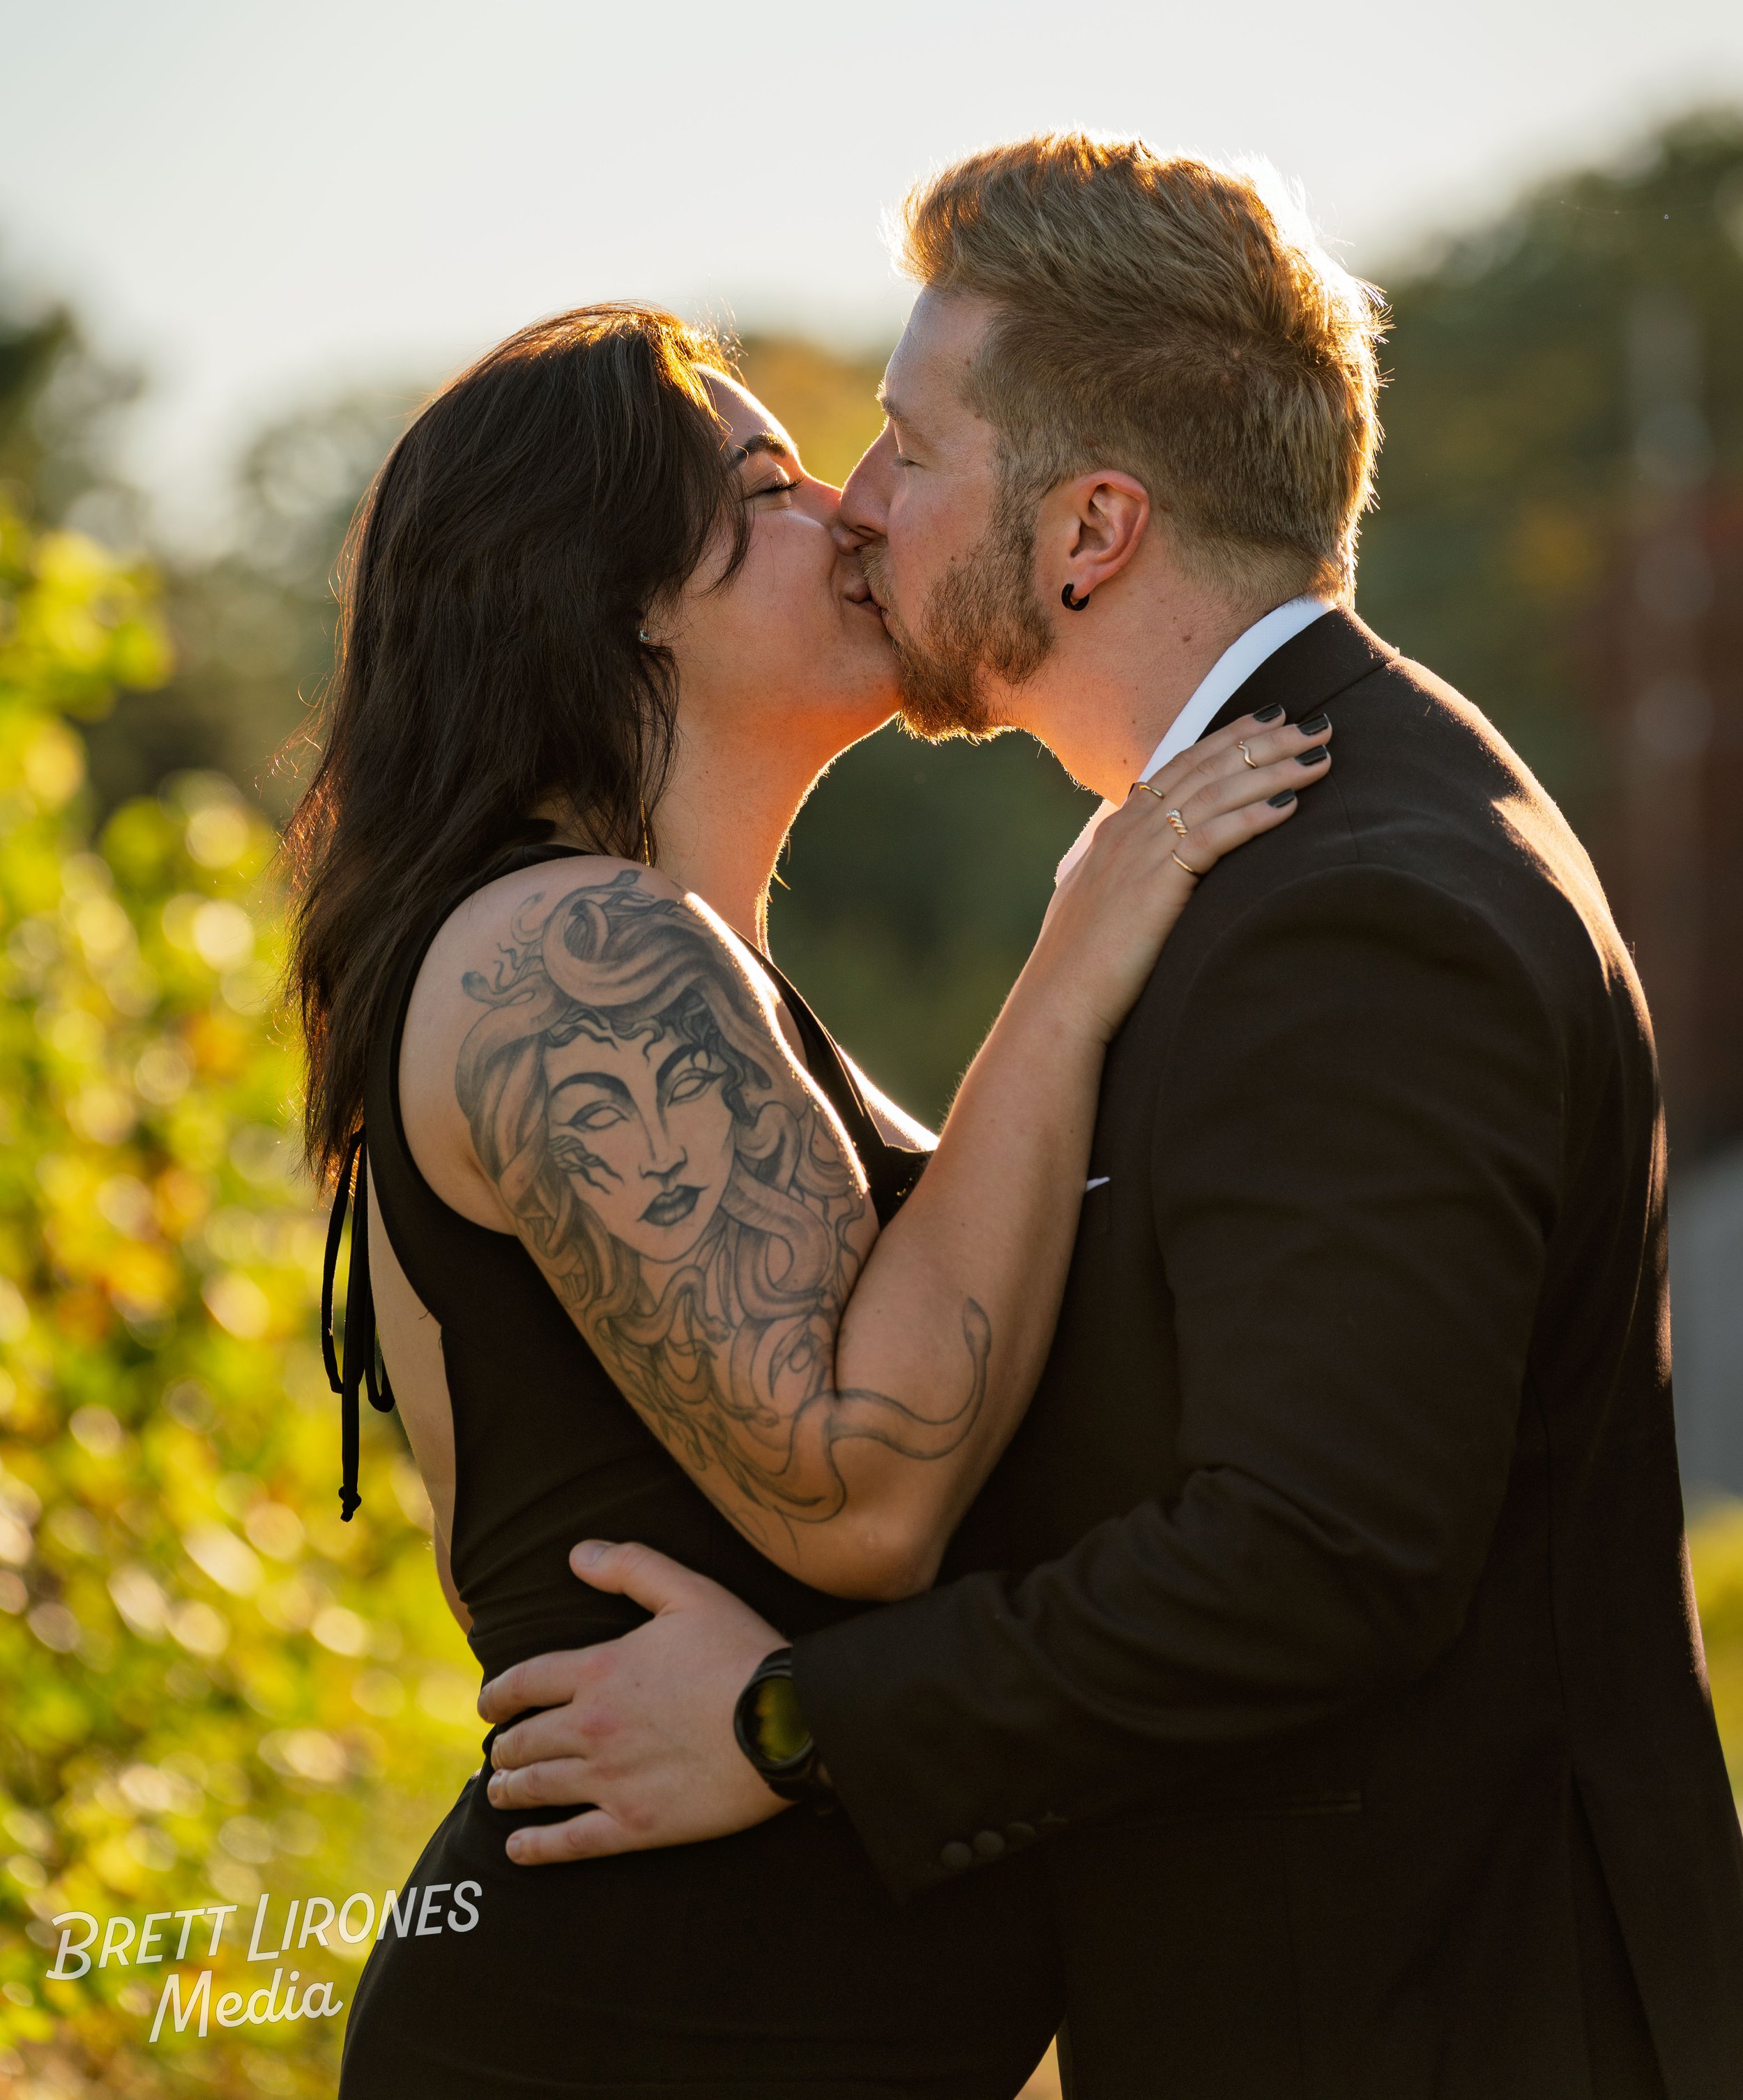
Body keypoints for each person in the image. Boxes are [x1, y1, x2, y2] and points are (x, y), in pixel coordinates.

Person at [479, 138, 1743, 2100]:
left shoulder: (1355, 903)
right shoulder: (1252, 855)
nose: (853, 508)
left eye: (906, 448)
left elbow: (1315, 1556)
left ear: (1088, 531)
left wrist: (789, 1723)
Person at [285, 298, 1328, 2099]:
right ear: (605, 588)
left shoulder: (671, 957)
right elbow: (857, 1494)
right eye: (768, 485)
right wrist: (1072, 965)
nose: (849, 512)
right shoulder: (572, 946)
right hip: (636, 2030)